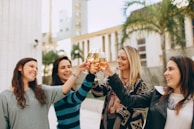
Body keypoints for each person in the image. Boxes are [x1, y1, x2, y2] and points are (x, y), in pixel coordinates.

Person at [0, 57, 96, 129]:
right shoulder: (4, 97)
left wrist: (80, 71)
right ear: (20, 68)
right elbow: (76, 97)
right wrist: (88, 74)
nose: (35, 70)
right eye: (31, 66)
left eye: (37, 68)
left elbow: (64, 89)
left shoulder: (42, 91)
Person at [104, 55, 194, 129]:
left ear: (184, 71)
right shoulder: (158, 93)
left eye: (170, 69)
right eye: (166, 69)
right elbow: (129, 100)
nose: (165, 73)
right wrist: (111, 74)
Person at [91, 45, 149, 129]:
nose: (119, 61)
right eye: (118, 57)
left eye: (123, 58)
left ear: (132, 61)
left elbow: (138, 122)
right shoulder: (113, 80)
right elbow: (97, 93)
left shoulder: (140, 86)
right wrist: (92, 74)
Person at [51, 56, 98, 129]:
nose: (67, 70)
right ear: (56, 72)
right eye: (63, 68)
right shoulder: (57, 91)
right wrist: (90, 75)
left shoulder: (70, 89)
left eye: (69, 67)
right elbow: (77, 98)